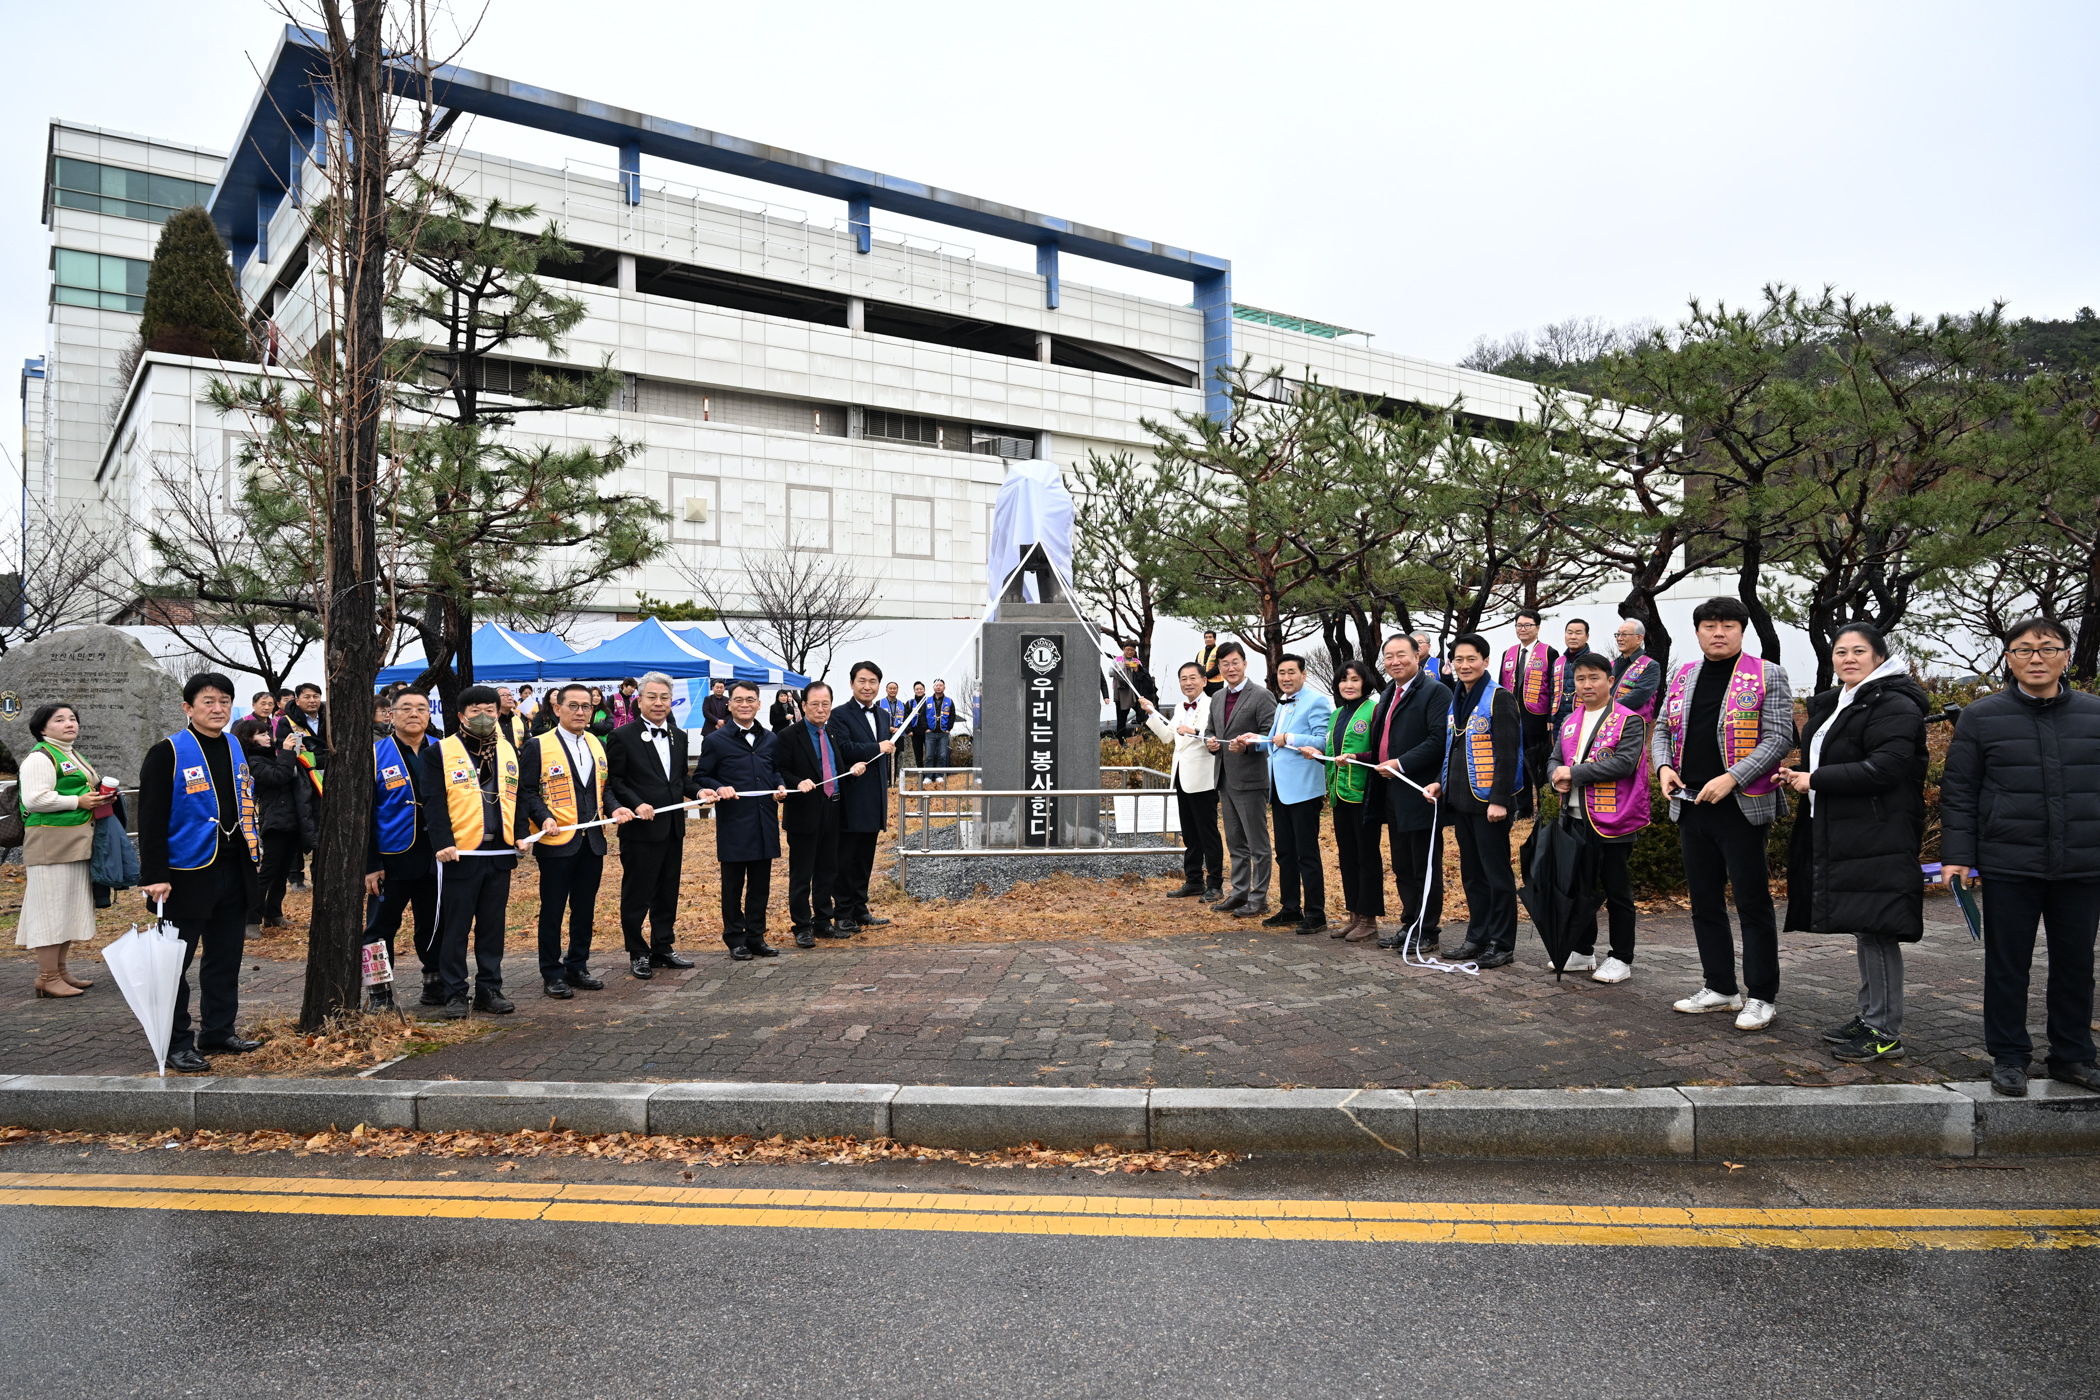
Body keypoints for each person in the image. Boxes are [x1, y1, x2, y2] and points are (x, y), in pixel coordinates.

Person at [1939, 616, 2100, 1098]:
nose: (2036, 658)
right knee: (2008, 963)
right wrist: (1958, 856)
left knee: (2075, 963)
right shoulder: (1982, 716)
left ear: (2066, 657)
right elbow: (1960, 792)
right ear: (2008, 657)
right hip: (2010, 861)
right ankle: (2009, 1056)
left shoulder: (2095, 714)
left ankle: (2072, 1055)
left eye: (2048, 649)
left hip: (2083, 863)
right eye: (2024, 649)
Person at [1776, 623, 1928, 1063]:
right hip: (1850, 829)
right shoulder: (1848, 700)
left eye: (1859, 651)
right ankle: (1869, 1017)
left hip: (1879, 832)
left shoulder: (1894, 704)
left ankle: (1885, 1031)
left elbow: (1885, 768)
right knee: (1867, 926)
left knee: (1878, 929)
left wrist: (1814, 779)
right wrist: (1799, 775)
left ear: (1879, 657)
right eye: (1840, 652)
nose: (1848, 658)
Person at [1651, 595, 1796, 1031]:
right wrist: (1662, 766)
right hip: (1690, 803)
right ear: (1697, 632)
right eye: (1710, 625)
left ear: (1742, 630)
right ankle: (1720, 987)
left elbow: (1778, 738)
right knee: (1704, 902)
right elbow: (1661, 726)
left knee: (1752, 903)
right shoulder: (1682, 674)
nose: (1719, 632)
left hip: (1743, 805)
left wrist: (1733, 776)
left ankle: (1762, 996)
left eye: (1728, 625)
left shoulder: (1768, 674)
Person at [139, 673, 265, 1071]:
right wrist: (155, 874)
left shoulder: (234, 745)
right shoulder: (167, 752)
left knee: (225, 957)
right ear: (188, 708)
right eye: (208, 701)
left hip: (233, 866)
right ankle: (176, 1041)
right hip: (184, 873)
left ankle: (218, 1030)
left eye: (224, 701)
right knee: (174, 962)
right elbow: (151, 818)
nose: (218, 708)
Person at [520, 682, 634, 998]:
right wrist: (543, 817)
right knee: (553, 909)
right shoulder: (537, 745)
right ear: (557, 709)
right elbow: (527, 791)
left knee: (584, 909)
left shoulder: (598, 743)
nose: (581, 711)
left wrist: (617, 808)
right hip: (557, 843)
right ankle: (551, 973)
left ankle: (577, 965)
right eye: (573, 705)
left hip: (592, 841)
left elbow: (604, 788)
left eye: (586, 706)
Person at [1549, 652, 1651, 982]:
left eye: (1594, 678)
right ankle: (1581, 950)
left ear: (1610, 681)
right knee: (1578, 888)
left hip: (1613, 820)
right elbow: (1554, 759)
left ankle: (1621, 957)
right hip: (1574, 817)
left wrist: (1573, 773)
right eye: (1580, 679)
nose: (1586, 684)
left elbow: (1623, 763)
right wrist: (1554, 776)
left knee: (1616, 890)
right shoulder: (1570, 720)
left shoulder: (1629, 720)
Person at [425, 684, 524, 1018]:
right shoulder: (440, 751)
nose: (484, 717)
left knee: (492, 927)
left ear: (499, 713)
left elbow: (518, 798)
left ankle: (489, 989)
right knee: (455, 929)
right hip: (460, 855)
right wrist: (442, 843)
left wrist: (521, 835)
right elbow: (434, 804)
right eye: (476, 711)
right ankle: (455, 993)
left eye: (490, 711)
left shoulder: (509, 750)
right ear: (460, 716)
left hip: (499, 854)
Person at [606, 671, 702, 978]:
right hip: (640, 829)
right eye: (652, 697)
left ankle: (662, 946)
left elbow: (680, 779)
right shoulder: (622, 736)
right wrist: (635, 803)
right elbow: (616, 781)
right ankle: (637, 951)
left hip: (673, 827)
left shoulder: (679, 735)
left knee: (667, 891)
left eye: (664, 697)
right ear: (639, 699)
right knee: (638, 892)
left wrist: (699, 791)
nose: (658, 703)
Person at [1436, 635, 1522, 968]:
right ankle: (1478, 936)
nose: (1464, 666)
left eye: (1471, 659)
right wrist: (1441, 783)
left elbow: (1508, 753)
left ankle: (1501, 943)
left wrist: (1499, 800)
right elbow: (1454, 747)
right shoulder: (1457, 696)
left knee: (1496, 875)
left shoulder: (1499, 697)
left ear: (1485, 661)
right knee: (1472, 874)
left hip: (1490, 804)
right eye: (1458, 660)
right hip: (1460, 800)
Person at [774, 680, 881, 946]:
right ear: (803, 706)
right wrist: (796, 782)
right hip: (804, 814)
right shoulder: (789, 736)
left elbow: (836, 768)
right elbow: (779, 771)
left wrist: (853, 770)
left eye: (825, 704)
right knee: (802, 874)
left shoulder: (831, 732)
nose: (820, 709)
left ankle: (823, 921)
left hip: (833, 809)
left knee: (827, 870)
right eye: (815, 704)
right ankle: (801, 926)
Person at [1364, 633, 1452, 952]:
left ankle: (1427, 930)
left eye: (1402, 655)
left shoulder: (1435, 691)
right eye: (1389, 657)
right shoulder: (1389, 692)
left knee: (1423, 865)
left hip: (1421, 792)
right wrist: (1360, 758)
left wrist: (1399, 764)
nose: (1395, 662)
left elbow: (1438, 739)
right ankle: (1410, 923)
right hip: (1391, 793)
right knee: (1402, 864)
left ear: (1417, 656)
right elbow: (1382, 743)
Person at [16, 703, 107, 999]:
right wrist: (77, 802)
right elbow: (34, 800)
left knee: (66, 908)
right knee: (50, 911)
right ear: (43, 728)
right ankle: (47, 976)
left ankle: (60, 971)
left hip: (74, 841)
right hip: (50, 843)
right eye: (60, 720)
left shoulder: (71, 753)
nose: (70, 723)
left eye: (72, 719)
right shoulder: (39, 757)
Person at [695, 680, 791, 958]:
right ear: (729, 704)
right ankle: (735, 938)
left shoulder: (771, 738)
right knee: (733, 886)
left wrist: (780, 786)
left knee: (760, 886)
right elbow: (701, 776)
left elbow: (774, 771)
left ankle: (756, 936)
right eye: (739, 700)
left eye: (750, 700)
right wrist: (717, 787)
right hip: (734, 823)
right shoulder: (715, 740)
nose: (745, 705)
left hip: (765, 821)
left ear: (759, 704)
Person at [365, 690, 440, 1011]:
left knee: (434, 922)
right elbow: (364, 813)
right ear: (390, 715)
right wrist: (371, 863)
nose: (414, 714)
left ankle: (436, 982)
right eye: (405, 708)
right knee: (378, 928)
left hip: (437, 855)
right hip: (391, 857)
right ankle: (378, 991)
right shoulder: (375, 754)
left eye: (421, 709)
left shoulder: (444, 751)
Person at [1253, 654, 1332, 934]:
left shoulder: (1317, 700)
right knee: (1285, 853)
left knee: (1307, 854)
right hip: (1280, 790)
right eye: (1281, 673)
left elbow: (1324, 741)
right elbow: (1273, 742)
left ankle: (1316, 913)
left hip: (1304, 790)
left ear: (1304, 674)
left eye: (1291, 672)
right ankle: (1290, 909)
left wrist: (1290, 739)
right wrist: (1252, 741)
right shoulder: (1281, 704)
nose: (1285, 678)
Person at [1306, 660, 1379, 940]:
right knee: (1347, 858)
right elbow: (1331, 751)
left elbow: (1381, 751)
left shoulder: (1374, 710)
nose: (1348, 685)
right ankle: (1354, 915)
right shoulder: (1336, 714)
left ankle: (1369, 920)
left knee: (1366, 857)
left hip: (1363, 794)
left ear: (1366, 682)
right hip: (1339, 795)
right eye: (1344, 680)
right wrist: (1315, 753)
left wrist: (1356, 758)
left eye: (1355, 679)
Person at [1204, 642, 1278, 919]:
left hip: (1250, 779)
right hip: (1224, 778)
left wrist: (1246, 746)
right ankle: (1238, 893)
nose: (1230, 668)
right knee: (1235, 842)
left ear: (1245, 663)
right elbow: (1211, 730)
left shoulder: (1261, 696)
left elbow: (1269, 736)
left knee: (1258, 845)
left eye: (1235, 662)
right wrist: (1210, 742)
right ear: (1219, 668)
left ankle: (1259, 899)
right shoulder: (1217, 697)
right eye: (1225, 664)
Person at [1140, 662, 1221, 901]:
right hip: (1181, 778)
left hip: (1203, 779)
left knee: (1208, 834)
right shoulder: (1178, 706)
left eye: (1193, 678)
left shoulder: (1212, 704)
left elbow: (1215, 738)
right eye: (1183, 679)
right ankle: (1193, 880)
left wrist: (1194, 731)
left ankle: (1215, 884)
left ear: (1204, 681)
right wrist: (1152, 713)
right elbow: (1167, 736)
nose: (1188, 682)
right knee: (1189, 834)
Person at [834, 661, 901, 931]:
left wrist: (893, 744)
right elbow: (844, 748)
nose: (867, 686)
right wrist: (878, 746)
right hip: (852, 798)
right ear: (852, 684)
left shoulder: (884, 716)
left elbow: (886, 750)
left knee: (865, 859)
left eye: (873, 681)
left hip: (875, 798)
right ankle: (842, 912)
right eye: (862, 681)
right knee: (846, 859)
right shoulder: (839, 714)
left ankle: (860, 908)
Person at [237, 715, 315, 932]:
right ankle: (251, 920)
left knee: (282, 872)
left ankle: (273, 913)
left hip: (292, 820)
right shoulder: (252, 761)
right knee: (268, 872)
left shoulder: (273, 756)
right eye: (261, 734)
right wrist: (288, 753)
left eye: (267, 732)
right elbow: (278, 776)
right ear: (249, 738)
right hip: (275, 822)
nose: (268, 737)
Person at [1498, 611, 1557, 820]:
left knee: (1538, 760)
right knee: (1518, 760)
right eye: (1519, 625)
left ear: (1538, 628)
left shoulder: (1549, 652)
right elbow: (1501, 686)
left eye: (1528, 625)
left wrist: (1551, 716)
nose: (1523, 629)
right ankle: (1523, 808)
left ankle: (1544, 805)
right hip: (1513, 716)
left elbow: (1554, 687)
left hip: (1537, 716)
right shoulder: (1508, 653)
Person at [1610, 618, 1663, 720]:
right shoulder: (1612, 664)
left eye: (1624, 635)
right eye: (1618, 634)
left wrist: (1608, 707)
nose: (1619, 639)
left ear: (1639, 638)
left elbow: (1639, 695)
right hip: (1608, 720)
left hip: (1633, 723)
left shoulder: (1650, 665)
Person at [1549, 618, 1592, 728]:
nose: (1573, 637)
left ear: (1587, 637)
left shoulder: (1595, 661)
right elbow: (1552, 691)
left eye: (1578, 633)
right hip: (1558, 720)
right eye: (1569, 632)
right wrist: (1551, 718)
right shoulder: (1558, 661)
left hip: (1585, 718)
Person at [923, 679, 957, 778]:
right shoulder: (927, 700)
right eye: (936, 685)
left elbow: (952, 715)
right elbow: (922, 715)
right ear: (933, 687)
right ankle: (928, 777)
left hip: (943, 733)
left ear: (944, 687)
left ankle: (939, 776)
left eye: (940, 685)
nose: (938, 687)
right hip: (931, 733)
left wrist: (948, 729)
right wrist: (926, 728)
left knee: (942, 756)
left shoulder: (949, 701)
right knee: (929, 756)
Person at [906, 681, 929, 771]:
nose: (919, 691)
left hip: (927, 732)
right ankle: (920, 773)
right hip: (915, 732)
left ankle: (930, 773)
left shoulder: (929, 701)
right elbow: (906, 717)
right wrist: (908, 730)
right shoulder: (910, 703)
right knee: (918, 754)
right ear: (914, 691)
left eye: (921, 689)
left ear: (924, 690)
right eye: (917, 689)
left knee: (930, 754)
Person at [1196, 631, 1223, 696]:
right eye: (1206, 637)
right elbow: (1196, 668)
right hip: (1203, 685)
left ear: (1215, 639)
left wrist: (1204, 676)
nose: (1208, 639)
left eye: (1210, 637)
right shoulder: (1200, 653)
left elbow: (1218, 667)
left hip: (1216, 685)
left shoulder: (1219, 651)